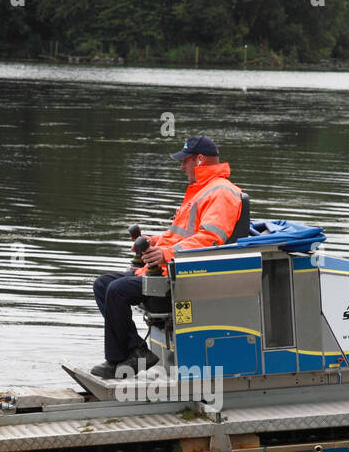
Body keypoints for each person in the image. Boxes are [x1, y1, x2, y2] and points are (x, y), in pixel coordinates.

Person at [90, 134, 245, 379]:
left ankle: (121, 360)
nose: (182, 166)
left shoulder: (222, 193)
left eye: (185, 161)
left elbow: (211, 240)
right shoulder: (203, 190)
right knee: (103, 284)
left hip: (185, 277)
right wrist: (155, 242)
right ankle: (136, 351)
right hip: (170, 269)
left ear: (200, 160)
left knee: (117, 290)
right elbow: (179, 234)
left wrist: (165, 254)